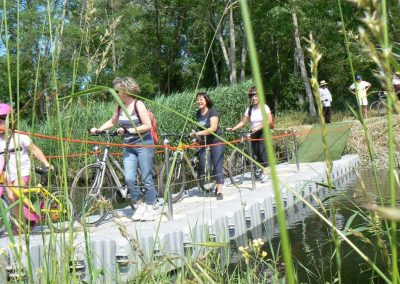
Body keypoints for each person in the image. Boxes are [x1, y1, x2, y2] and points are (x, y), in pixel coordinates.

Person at [90, 77, 157, 221]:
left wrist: (129, 131)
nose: (115, 93)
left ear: (125, 90)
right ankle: (139, 204)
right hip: (128, 146)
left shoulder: (138, 104)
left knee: (146, 178)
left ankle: (151, 206)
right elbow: (113, 121)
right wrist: (98, 129)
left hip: (143, 143)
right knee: (129, 178)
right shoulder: (119, 106)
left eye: (117, 90)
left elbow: (147, 125)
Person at [0, 103, 52, 230]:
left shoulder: (20, 136)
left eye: (2, 120)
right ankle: (25, 223)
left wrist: (46, 163)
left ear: (10, 121)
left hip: (21, 171)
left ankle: (30, 218)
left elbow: (34, 150)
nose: (0, 124)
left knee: (14, 195)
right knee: (11, 199)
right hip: (5, 174)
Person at [226, 87, 274, 183]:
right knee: (255, 151)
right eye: (252, 96)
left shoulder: (265, 107)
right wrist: (233, 128)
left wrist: (258, 127)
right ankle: (261, 167)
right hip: (253, 132)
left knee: (262, 150)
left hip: (263, 131)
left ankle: (266, 172)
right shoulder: (249, 109)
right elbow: (243, 122)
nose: (254, 98)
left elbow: (269, 120)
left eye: (256, 96)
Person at [190, 92, 225, 200]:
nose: (199, 101)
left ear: (206, 100)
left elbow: (213, 128)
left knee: (217, 165)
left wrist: (199, 133)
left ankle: (219, 190)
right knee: (205, 166)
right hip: (204, 142)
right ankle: (210, 180)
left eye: (201, 99)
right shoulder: (198, 113)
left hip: (216, 140)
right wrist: (194, 134)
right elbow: (200, 128)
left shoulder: (212, 111)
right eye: (197, 100)